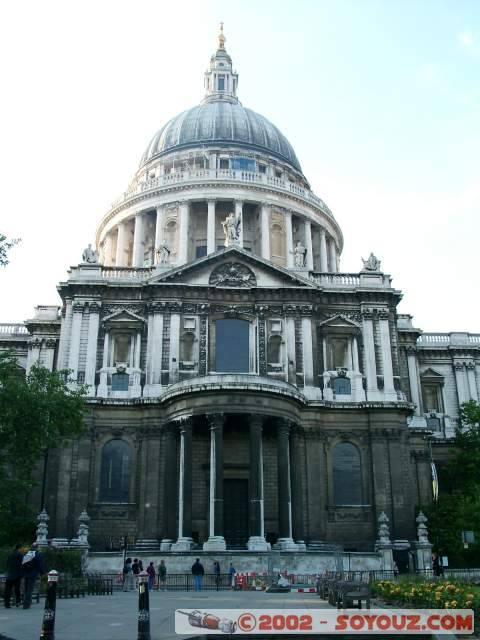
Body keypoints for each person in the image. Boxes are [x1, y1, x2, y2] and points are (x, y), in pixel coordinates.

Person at [21, 543, 45, 609]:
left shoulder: (27, 554)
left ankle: (25, 602)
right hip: (33, 574)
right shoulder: (38, 554)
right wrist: (42, 573)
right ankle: (27, 604)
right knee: (30, 589)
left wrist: (23, 573)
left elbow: (23, 565)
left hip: (26, 574)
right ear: (37, 547)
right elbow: (40, 565)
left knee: (26, 589)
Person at [4, 544, 23, 608]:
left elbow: (7, 563)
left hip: (9, 574)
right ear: (19, 548)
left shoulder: (10, 554)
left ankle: (7, 603)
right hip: (17, 575)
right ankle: (18, 601)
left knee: (8, 589)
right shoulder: (20, 555)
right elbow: (23, 564)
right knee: (17, 589)